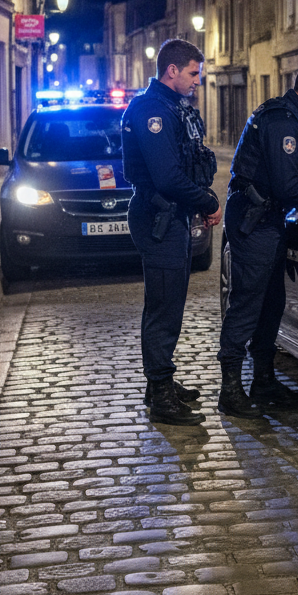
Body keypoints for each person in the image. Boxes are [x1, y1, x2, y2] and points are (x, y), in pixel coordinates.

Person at [217, 63, 298, 417]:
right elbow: (286, 185)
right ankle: (230, 389)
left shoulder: (292, 119)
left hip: (268, 220)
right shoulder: (282, 123)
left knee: (271, 303)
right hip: (254, 221)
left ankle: (263, 380)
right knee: (247, 304)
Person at [122, 38, 222, 426]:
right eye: (194, 73)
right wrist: (208, 201)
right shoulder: (153, 111)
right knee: (163, 309)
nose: (198, 80)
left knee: (171, 304)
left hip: (171, 217)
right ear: (172, 71)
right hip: (158, 217)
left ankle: (160, 382)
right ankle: (161, 393)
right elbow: (166, 176)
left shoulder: (171, 106)